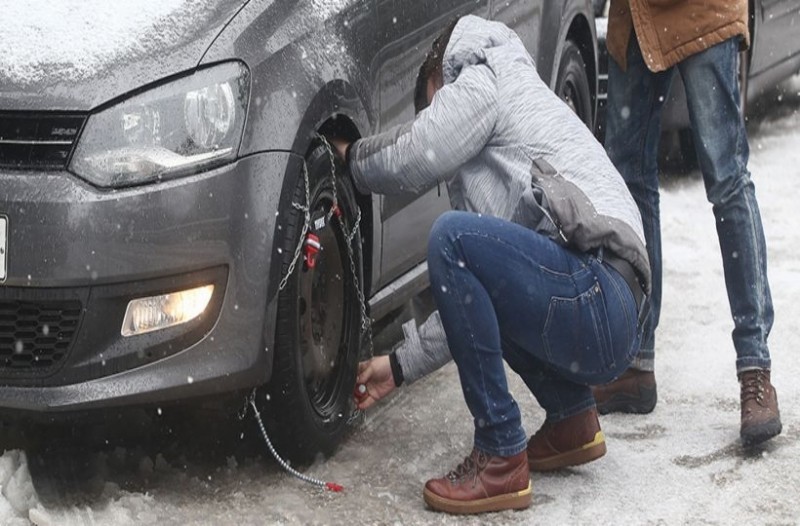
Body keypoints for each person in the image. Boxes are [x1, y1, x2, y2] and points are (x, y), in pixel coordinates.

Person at [331, 15, 650, 515]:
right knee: (476, 262)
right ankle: (572, 418)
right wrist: (397, 365)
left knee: (450, 238)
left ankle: (500, 455)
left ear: (440, 80)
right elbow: (475, 304)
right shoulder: (518, 95)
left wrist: (352, 161)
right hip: (613, 306)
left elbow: (419, 151)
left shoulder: (482, 75)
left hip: (597, 290)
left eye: (433, 110)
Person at [593, 0, 782, 447]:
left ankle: (755, 369)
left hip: (703, 10)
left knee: (726, 179)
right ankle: (635, 363)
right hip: (637, 17)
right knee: (629, 185)